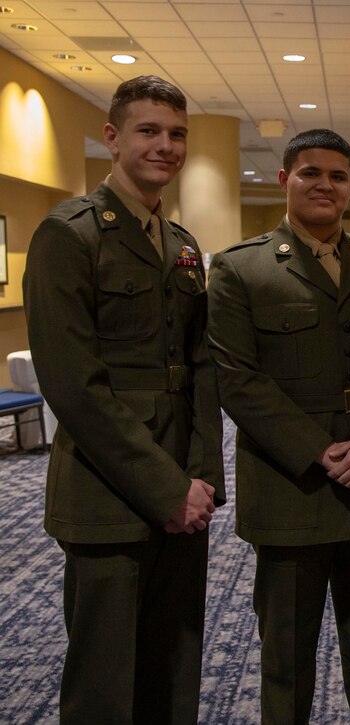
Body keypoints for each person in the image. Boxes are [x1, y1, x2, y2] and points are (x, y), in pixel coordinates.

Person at [23, 75, 224, 724]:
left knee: (173, 663)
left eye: (177, 134)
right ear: (112, 138)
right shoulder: (70, 234)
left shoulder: (183, 245)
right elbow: (73, 386)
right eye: (149, 131)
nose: (166, 145)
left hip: (184, 485)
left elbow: (200, 370)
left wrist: (202, 479)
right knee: (106, 680)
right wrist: (168, 489)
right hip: (106, 490)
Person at [207, 129, 350, 724]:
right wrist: (319, 452)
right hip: (290, 489)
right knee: (287, 656)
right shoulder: (240, 268)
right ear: (285, 180)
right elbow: (237, 379)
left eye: (337, 175)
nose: (324, 185)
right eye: (310, 173)